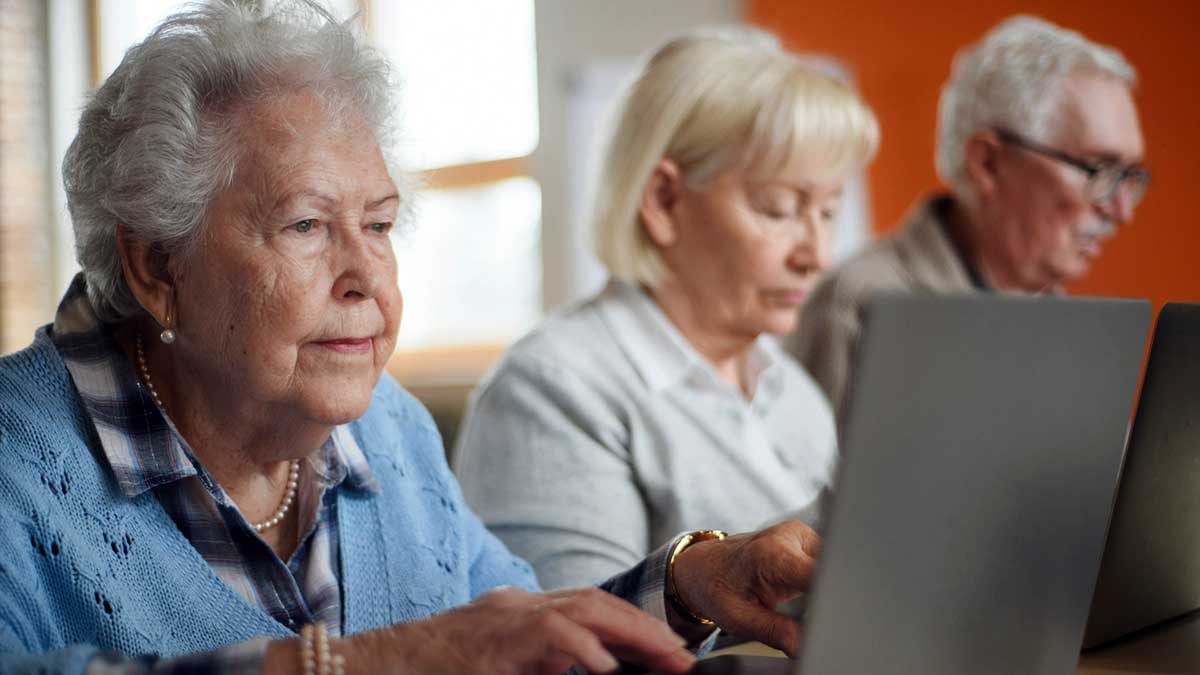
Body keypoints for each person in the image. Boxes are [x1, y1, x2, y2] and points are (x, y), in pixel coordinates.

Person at [0, 3, 826, 673]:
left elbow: (530, 645)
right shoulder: (19, 457)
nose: (369, 275)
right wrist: (377, 661)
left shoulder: (386, 429)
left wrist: (690, 584)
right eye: (306, 224)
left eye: (382, 223)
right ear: (157, 266)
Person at [454, 29, 879, 589]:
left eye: (827, 213)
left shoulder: (792, 391)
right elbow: (576, 649)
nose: (816, 255)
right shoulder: (550, 389)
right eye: (779, 209)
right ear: (663, 201)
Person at [785, 15, 1148, 418]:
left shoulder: (1072, 331)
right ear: (987, 162)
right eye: (1098, 170)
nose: (1121, 211)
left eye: (1129, 177)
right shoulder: (859, 307)